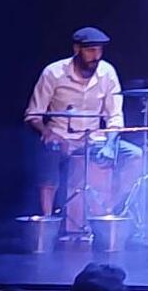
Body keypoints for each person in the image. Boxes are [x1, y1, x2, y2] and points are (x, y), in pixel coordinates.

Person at [24, 26, 141, 227]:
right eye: (90, 50)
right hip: (61, 138)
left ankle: (107, 210)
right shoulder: (53, 72)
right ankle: (47, 220)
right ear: (77, 49)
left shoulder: (107, 72)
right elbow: (33, 114)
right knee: (48, 152)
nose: (96, 56)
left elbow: (114, 115)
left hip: (95, 139)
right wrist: (47, 132)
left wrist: (110, 144)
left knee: (135, 155)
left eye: (99, 50)